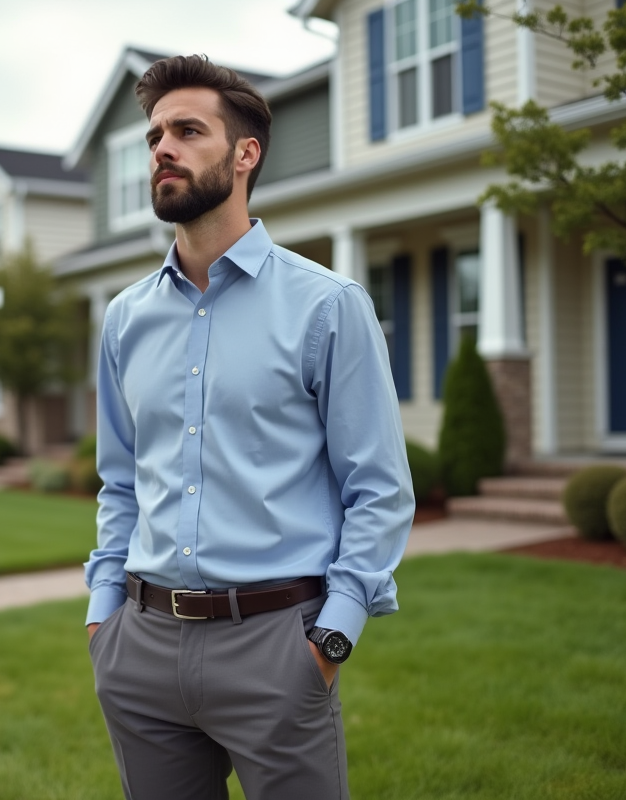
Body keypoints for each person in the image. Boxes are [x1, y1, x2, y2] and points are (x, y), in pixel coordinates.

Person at [85, 54, 414, 800]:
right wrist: (104, 612)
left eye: (188, 130)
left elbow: (380, 488)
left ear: (245, 154)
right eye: (155, 134)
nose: (162, 146)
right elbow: (120, 478)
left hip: (277, 645)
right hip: (140, 648)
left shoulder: (327, 306)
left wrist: (331, 637)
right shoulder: (125, 319)